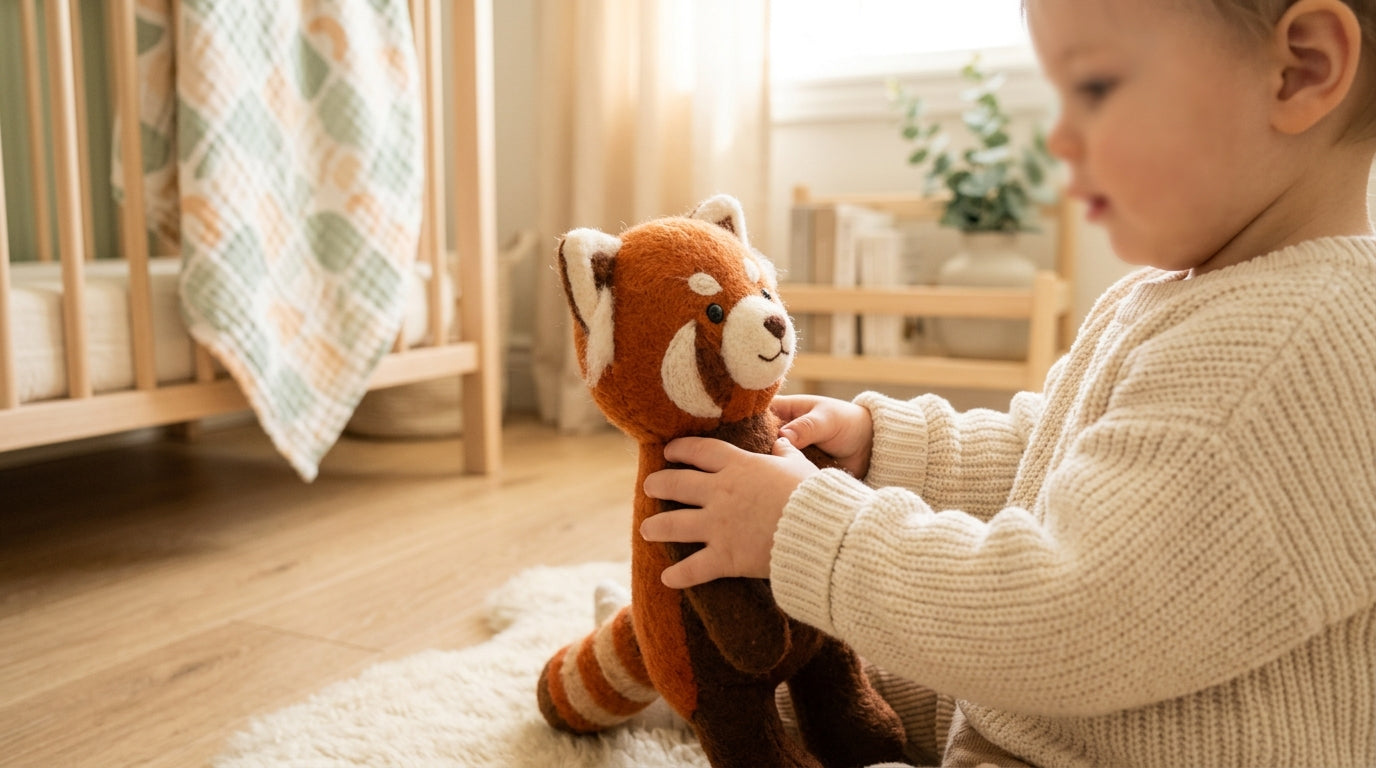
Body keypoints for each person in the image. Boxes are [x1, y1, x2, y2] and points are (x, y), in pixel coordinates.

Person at [638, 0, 1376, 765]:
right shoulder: (1185, 293)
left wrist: (809, 529)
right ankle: (677, 662)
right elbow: (1054, 455)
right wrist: (884, 448)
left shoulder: (1291, 350)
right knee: (823, 663)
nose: (1057, 137)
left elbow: (1070, 618)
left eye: (1094, 88)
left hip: (1107, 723)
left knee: (870, 644)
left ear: (1302, 69)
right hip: (1070, 716)